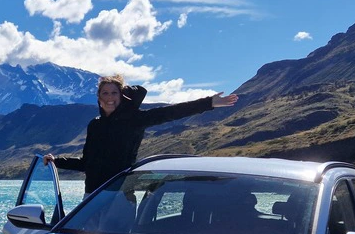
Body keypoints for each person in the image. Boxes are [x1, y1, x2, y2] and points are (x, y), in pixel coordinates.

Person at [43, 75, 238, 195]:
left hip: (120, 195)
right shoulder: (95, 125)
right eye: (105, 93)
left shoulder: (135, 119)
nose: (110, 98)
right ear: (99, 97)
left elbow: (172, 112)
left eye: (114, 93)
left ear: (121, 97)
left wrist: (209, 103)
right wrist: (56, 161)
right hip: (91, 197)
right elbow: (87, 164)